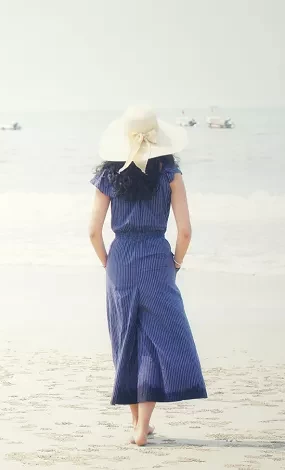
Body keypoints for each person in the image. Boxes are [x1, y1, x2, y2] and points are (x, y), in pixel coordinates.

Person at [88, 106, 207, 446]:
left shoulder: (108, 176)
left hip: (121, 260)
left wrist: (108, 263)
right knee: (158, 338)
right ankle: (143, 426)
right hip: (157, 257)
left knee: (126, 337)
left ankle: (137, 423)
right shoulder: (170, 174)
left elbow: (93, 232)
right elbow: (185, 232)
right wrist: (175, 264)